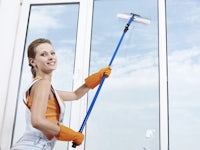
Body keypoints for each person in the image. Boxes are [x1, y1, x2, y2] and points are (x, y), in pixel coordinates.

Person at [11, 38, 111, 150]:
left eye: (52, 53)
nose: (51, 57)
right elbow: (37, 121)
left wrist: (98, 77)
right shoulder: (43, 84)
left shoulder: (42, 86)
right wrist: (70, 134)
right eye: (44, 54)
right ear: (32, 61)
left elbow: (75, 95)